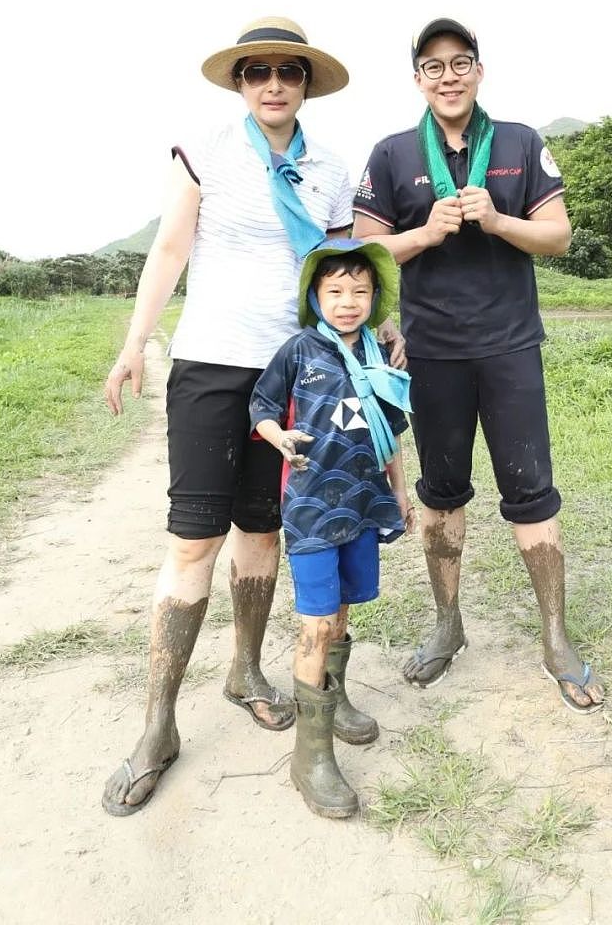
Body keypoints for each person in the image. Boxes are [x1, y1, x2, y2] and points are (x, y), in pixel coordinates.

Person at [101, 16, 404, 817]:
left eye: (289, 71)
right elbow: (170, 250)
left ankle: (247, 670)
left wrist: (374, 336)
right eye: (257, 70)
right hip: (209, 364)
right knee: (195, 538)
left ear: (307, 83)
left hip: (301, 373)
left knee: (269, 531)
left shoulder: (332, 169)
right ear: (239, 82)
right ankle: (158, 725)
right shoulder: (206, 150)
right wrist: (137, 343)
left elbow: (340, 274)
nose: (273, 82)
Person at [351, 17, 604, 714]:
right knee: (441, 494)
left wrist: (496, 221)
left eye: (460, 62)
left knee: (532, 491)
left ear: (479, 71)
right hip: (431, 352)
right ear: (418, 81)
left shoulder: (520, 143)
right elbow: (365, 254)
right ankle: (447, 624)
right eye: (433, 66)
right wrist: (426, 233)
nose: (448, 75)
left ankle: (555, 638)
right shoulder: (393, 154)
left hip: (510, 345)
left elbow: (557, 235)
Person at [250, 237, 414, 817]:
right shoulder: (299, 351)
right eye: (335, 290)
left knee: (343, 611)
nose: (348, 301)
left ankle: (335, 698)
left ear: (375, 298)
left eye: (360, 291)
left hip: (363, 505)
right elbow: (261, 407)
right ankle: (310, 757)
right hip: (313, 511)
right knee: (316, 625)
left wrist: (399, 491)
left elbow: (389, 433)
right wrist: (279, 438)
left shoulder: (381, 356)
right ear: (315, 296)